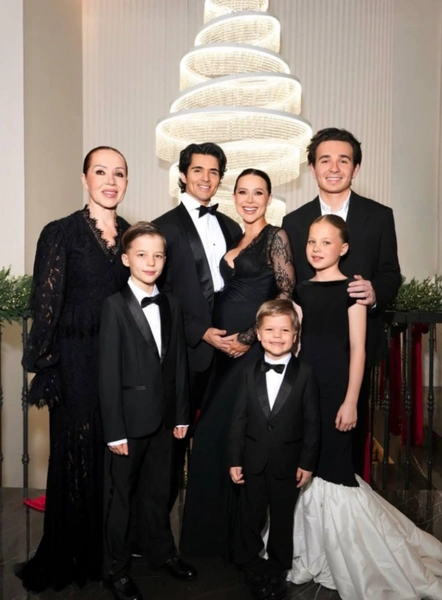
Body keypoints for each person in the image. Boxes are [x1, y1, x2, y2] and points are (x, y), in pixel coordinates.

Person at [288, 215, 442, 599]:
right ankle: (310, 547)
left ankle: (350, 555)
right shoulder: (301, 290)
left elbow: (357, 350)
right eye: (312, 241)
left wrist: (351, 401)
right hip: (304, 388)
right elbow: (296, 344)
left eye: (327, 242)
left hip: (337, 389)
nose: (317, 248)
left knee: (336, 470)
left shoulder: (352, 290)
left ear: (344, 248)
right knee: (307, 464)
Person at [16, 147, 131, 592]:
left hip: (119, 361)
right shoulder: (60, 232)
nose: (110, 181)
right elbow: (45, 304)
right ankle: (71, 553)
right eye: (101, 172)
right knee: (76, 451)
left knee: (111, 455)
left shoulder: (133, 236)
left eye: (119, 173)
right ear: (85, 179)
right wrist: (46, 364)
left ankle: (106, 552)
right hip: (76, 359)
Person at [180, 168, 296, 557]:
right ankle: (211, 540)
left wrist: (249, 338)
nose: (249, 200)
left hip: (250, 354)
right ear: (234, 197)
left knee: (222, 435)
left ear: (269, 198)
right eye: (243, 192)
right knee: (218, 441)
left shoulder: (275, 236)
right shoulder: (234, 236)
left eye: (258, 193)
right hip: (221, 355)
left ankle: (234, 542)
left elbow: (285, 296)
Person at [282, 127, 401, 477]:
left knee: (348, 444)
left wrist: (375, 292)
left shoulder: (379, 216)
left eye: (343, 160)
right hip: (307, 351)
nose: (334, 168)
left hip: (356, 350)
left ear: (356, 168)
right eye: (325, 160)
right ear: (312, 168)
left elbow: (390, 274)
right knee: (301, 440)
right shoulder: (293, 221)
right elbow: (289, 286)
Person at [99, 222, 196, 600]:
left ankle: (162, 553)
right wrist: (114, 430)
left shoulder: (172, 304)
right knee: (121, 498)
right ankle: (116, 570)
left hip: (166, 420)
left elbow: (179, 364)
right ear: (126, 259)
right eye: (142, 255)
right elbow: (108, 373)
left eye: (158, 255)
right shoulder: (113, 306)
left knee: (159, 492)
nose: (151, 262)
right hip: (128, 422)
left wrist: (182, 414)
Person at [153, 142, 242, 506]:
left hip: (231, 352)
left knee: (223, 439)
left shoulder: (232, 226)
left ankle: (212, 522)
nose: (206, 178)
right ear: (182, 175)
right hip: (187, 353)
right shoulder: (163, 227)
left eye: (214, 171)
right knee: (173, 445)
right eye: (198, 170)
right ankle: (160, 527)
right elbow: (161, 294)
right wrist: (200, 331)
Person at [229, 299, 319, 600]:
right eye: (269, 329)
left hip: (288, 463)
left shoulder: (305, 373)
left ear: (295, 335)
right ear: (257, 333)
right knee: (250, 517)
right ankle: (251, 566)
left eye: (284, 330)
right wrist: (234, 459)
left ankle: (278, 570)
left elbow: (312, 422)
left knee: (282, 519)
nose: (277, 336)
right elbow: (238, 419)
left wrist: (307, 462)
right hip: (252, 461)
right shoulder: (248, 372)